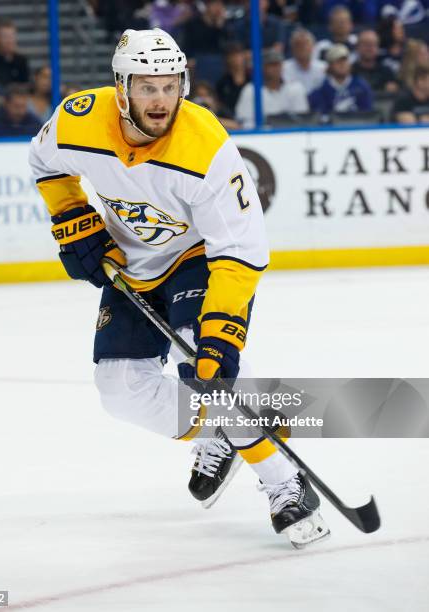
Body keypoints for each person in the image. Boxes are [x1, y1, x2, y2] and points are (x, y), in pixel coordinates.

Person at [29, 27, 329, 548]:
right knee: (119, 391)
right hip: (133, 264)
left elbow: (241, 250)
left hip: (198, 257)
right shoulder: (78, 119)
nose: (161, 99)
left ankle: (285, 481)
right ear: (121, 87)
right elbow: (44, 163)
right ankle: (221, 432)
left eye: (170, 86)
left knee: (206, 363)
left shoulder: (206, 145)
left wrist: (221, 333)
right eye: (148, 87)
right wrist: (73, 218)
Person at [235, 48, 309, 128]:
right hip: (263, 137)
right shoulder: (250, 90)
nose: (276, 68)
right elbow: (244, 122)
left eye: (278, 64)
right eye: (271, 65)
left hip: (292, 136)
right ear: (262, 67)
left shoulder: (296, 88)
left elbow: (302, 120)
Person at [309, 43, 373, 115]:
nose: (342, 64)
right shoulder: (321, 90)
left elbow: (368, 115)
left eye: (344, 60)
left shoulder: (361, 86)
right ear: (330, 65)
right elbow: (320, 117)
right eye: (338, 61)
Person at [0, 20, 30, 86]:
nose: (9, 40)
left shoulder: (21, 60)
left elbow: (26, 84)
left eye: (11, 36)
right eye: (5, 36)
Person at [283, 28, 326, 94]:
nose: (302, 47)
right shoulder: (283, 68)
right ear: (292, 48)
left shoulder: (324, 68)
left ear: (313, 47)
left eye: (306, 44)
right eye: (298, 44)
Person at [215, 42, 249, 115]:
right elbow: (221, 105)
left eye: (238, 54)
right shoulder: (222, 83)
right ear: (227, 59)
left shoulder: (253, 79)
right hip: (231, 118)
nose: (236, 58)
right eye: (232, 56)